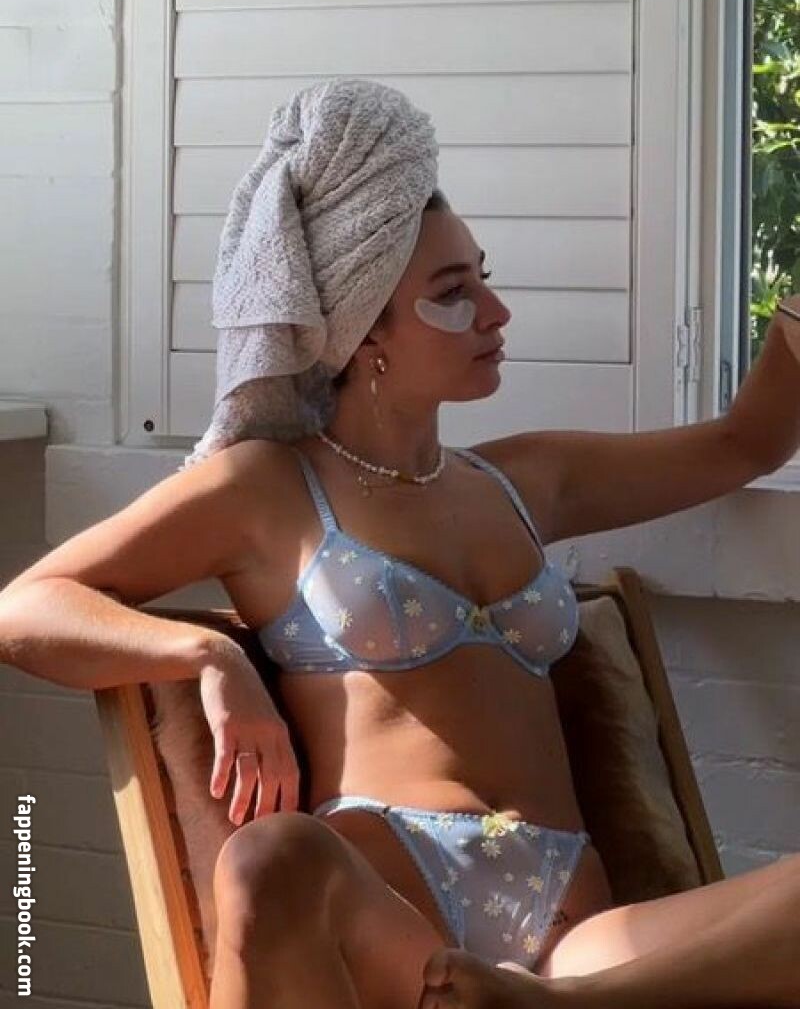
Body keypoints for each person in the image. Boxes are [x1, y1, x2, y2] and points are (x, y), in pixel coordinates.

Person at [2, 79, 800, 1009]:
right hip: (391, 907)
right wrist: (209, 655)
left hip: (573, 935)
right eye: (453, 294)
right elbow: (24, 609)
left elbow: (745, 442)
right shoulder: (266, 487)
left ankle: (563, 1005)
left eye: (482, 278)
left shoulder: (526, 479)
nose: (495, 311)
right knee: (268, 856)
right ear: (364, 327)